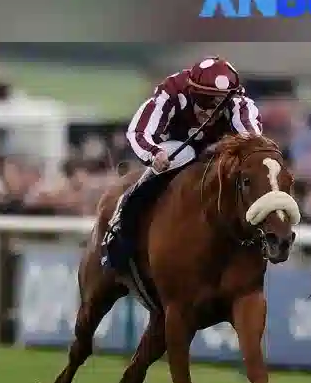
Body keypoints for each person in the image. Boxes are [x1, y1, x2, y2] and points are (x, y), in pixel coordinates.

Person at [102, 56, 263, 269]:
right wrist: (154, 154)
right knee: (183, 154)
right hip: (173, 150)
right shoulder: (171, 94)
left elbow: (253, 140)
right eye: (205, 101)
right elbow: (139, 131)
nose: (211, 110)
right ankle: (121, 234)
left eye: (219, 103)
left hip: (215, 153)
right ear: (192, 91)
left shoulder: (239, 103)